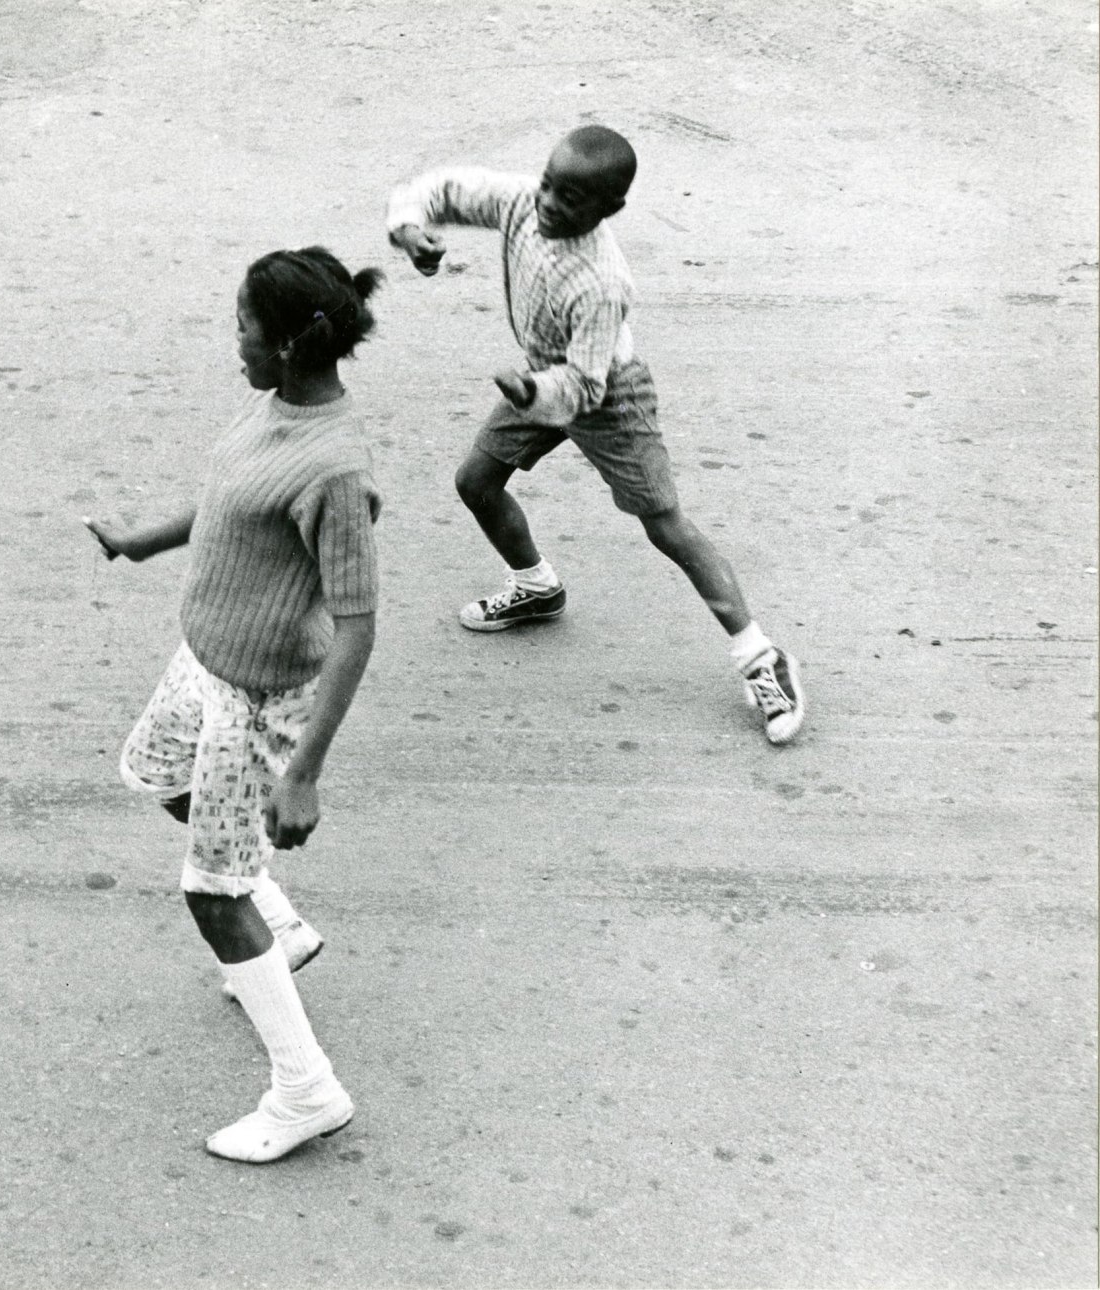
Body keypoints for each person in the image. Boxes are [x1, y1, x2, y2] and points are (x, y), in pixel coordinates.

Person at [85, 246, 384, 1162]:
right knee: (160, 774)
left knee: (211, 895)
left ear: (293, 341)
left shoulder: (333, 470)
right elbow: (228, 502)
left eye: (245, 327)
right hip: (205, 669)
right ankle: (280, 925)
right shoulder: (277, 407)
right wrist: (144, 541)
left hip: (258, 702)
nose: (236, 343)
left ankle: (306, 1090)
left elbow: (359, 626)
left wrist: (303, 775)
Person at [386, 125, 805, 744]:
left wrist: (535, 394)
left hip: (605, 391)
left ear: (610, 210)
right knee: (476, 483)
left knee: (666, 526)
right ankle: (536, 588)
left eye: (571, 201)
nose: (550, 205)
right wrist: (409, 227)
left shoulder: (602, 282)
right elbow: (443, 189)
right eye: (550, 186)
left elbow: (583, 388)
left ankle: (762, 659)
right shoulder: (521, 200)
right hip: (541, 379)